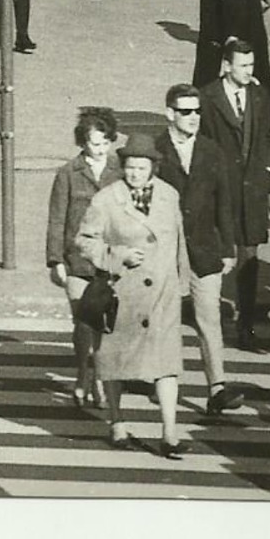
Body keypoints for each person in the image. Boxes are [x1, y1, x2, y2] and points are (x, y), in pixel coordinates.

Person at [74, 133, 190, 457]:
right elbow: (84, 240)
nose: (135, 173)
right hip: (122, 294)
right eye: (130, 167)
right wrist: (116, 254)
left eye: (141, 167)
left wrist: (182, 286)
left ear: (153, 166)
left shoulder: (169, 196)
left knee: (166, 364)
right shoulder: (107, 199)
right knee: (113, 361)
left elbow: (179, 242)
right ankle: (117, 421)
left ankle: (170, 433)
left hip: (162, 296)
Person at [154, 84, 246, 416]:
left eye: (197, 111)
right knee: (164, 321)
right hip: (166, 253)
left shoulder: (212, 150)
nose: (193, 117)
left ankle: (217, 387)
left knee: (209, 320)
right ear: (170, 114)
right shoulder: (156, 150)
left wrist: (228, 247)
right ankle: (160, 379)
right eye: (186, 112)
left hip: (206, 251)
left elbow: (225, 201)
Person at [199, 38, 270, 352]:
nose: (249, 71)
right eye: (242, 65)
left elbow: (269, 136)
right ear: (227, 66)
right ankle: (212, 323)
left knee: (249, 260)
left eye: (251, 65)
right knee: (218, 258)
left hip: (252, 191)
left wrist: (268, 171)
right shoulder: (208, 97)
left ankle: (245, 327)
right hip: (221, 190)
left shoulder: (259, 95)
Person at [45, 107, 124, 409]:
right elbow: (56, 219)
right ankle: (82, 373)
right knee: (82, 323)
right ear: (83, 143)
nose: (101, 150)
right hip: (77, 260)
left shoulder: (119, 170)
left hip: (110, 261)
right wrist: (55, 260)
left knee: (104, 325)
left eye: (106, 143)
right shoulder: (67, 173)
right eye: (95, 144)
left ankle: (100, 380)